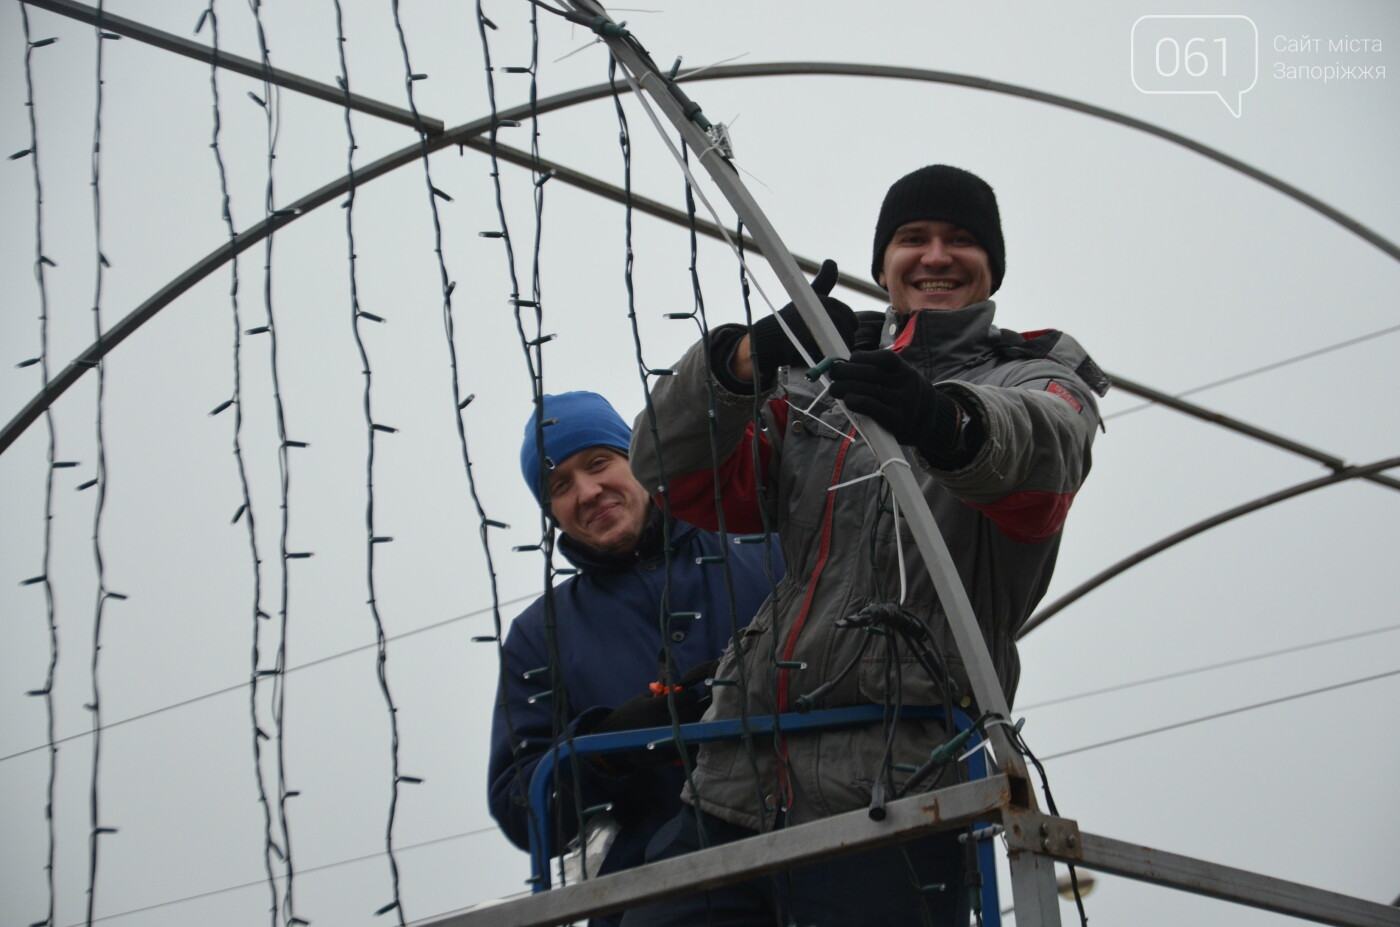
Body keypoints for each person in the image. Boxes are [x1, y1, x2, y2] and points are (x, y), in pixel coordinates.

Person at [622, 165, 1109, 926]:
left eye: (962, 241)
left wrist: (944, 419)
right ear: (882, 266)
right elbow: (663, 466)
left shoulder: (1040, 375)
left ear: (993, 269)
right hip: (738, 770)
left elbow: (1045, 451)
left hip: (900, 787)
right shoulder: (817, 386)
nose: (936, 256)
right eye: (913, 239)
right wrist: (742, 363)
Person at [487, 391, 781, 927]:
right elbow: (518, 808)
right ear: (550, 511)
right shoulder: (539, 635)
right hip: (659, 891)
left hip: (824, 843)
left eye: (598, 463)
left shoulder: (760, 543)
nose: (588, 491)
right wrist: (604, 753)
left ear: (638, 457)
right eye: (560, 486)